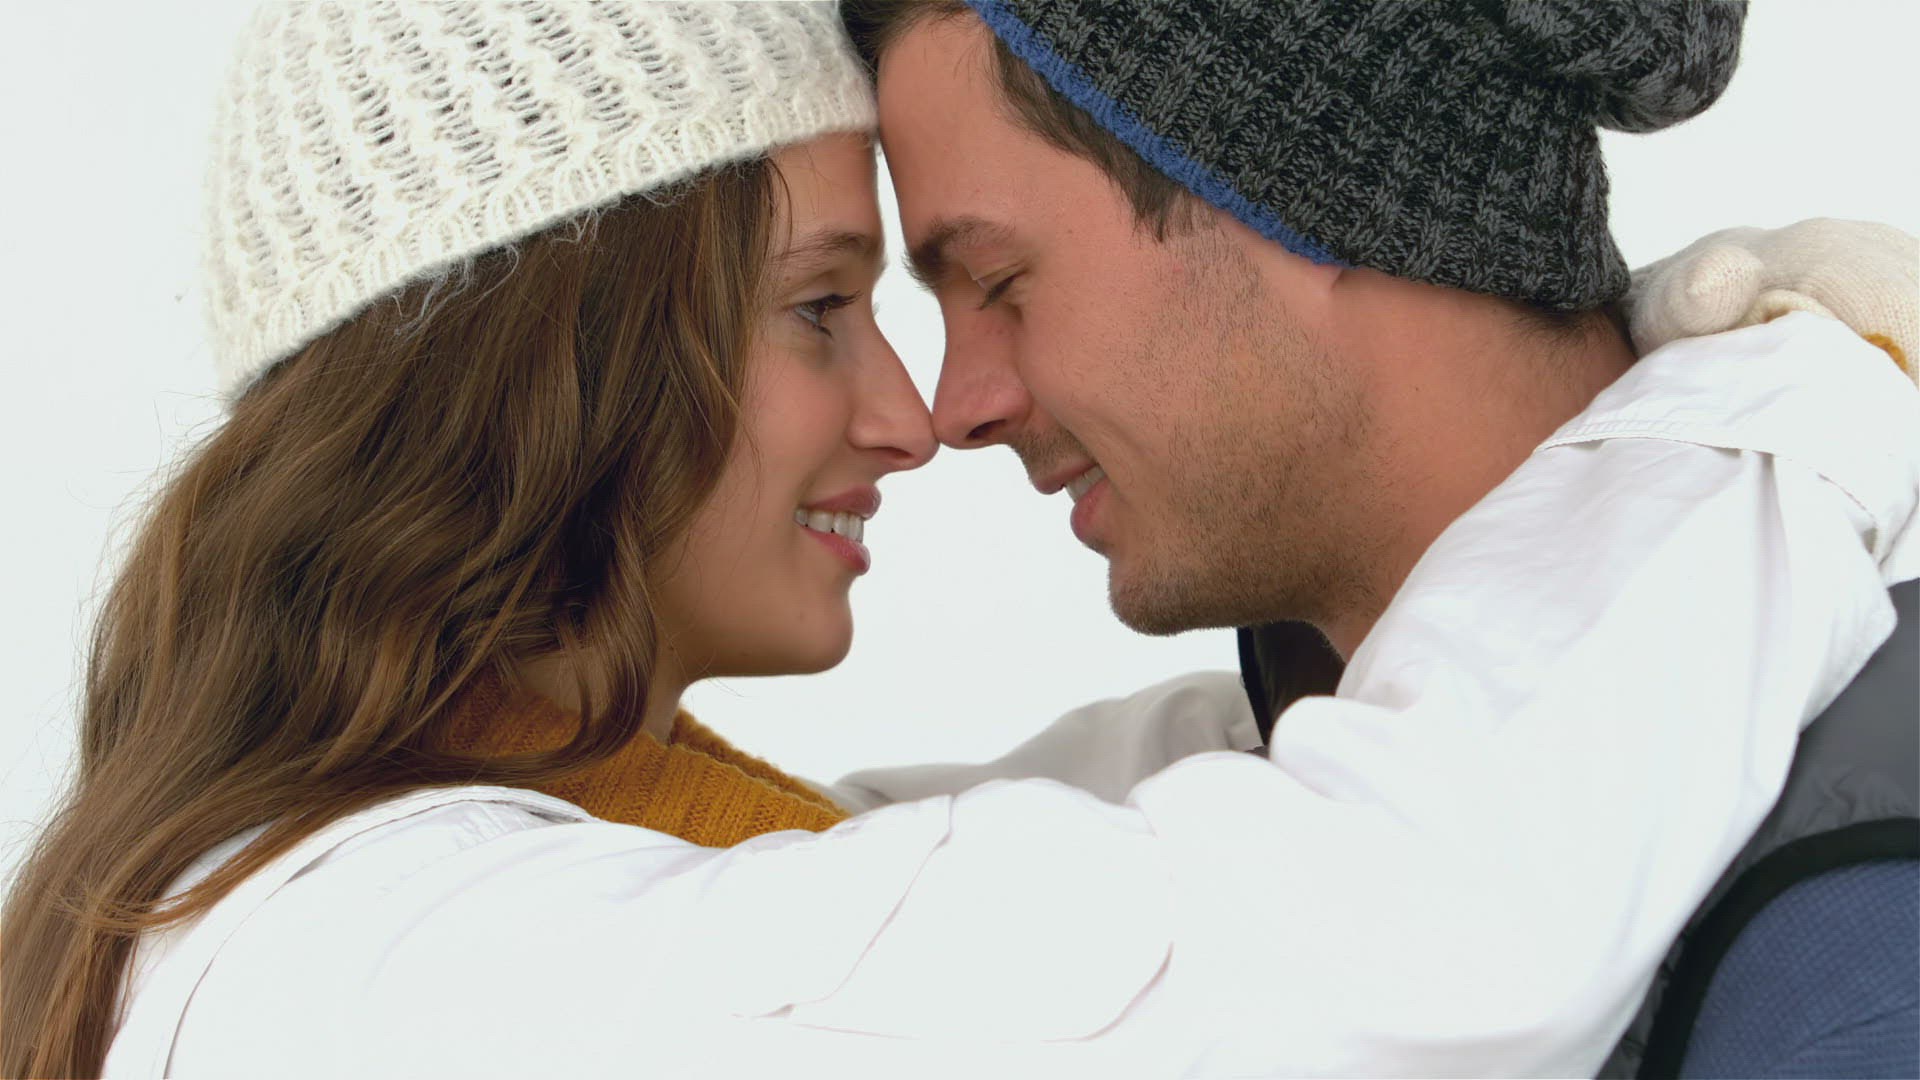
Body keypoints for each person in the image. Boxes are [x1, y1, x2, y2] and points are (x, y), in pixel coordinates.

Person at [0, 3, 1910, 1077]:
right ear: (560, 369)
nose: (928, 411)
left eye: (983, 279)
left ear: (1298, 202)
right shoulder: (381, 978)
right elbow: (1358, 934)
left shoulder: (442, 877)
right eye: (824, 306)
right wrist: (1789, 393)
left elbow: (1081, 851)